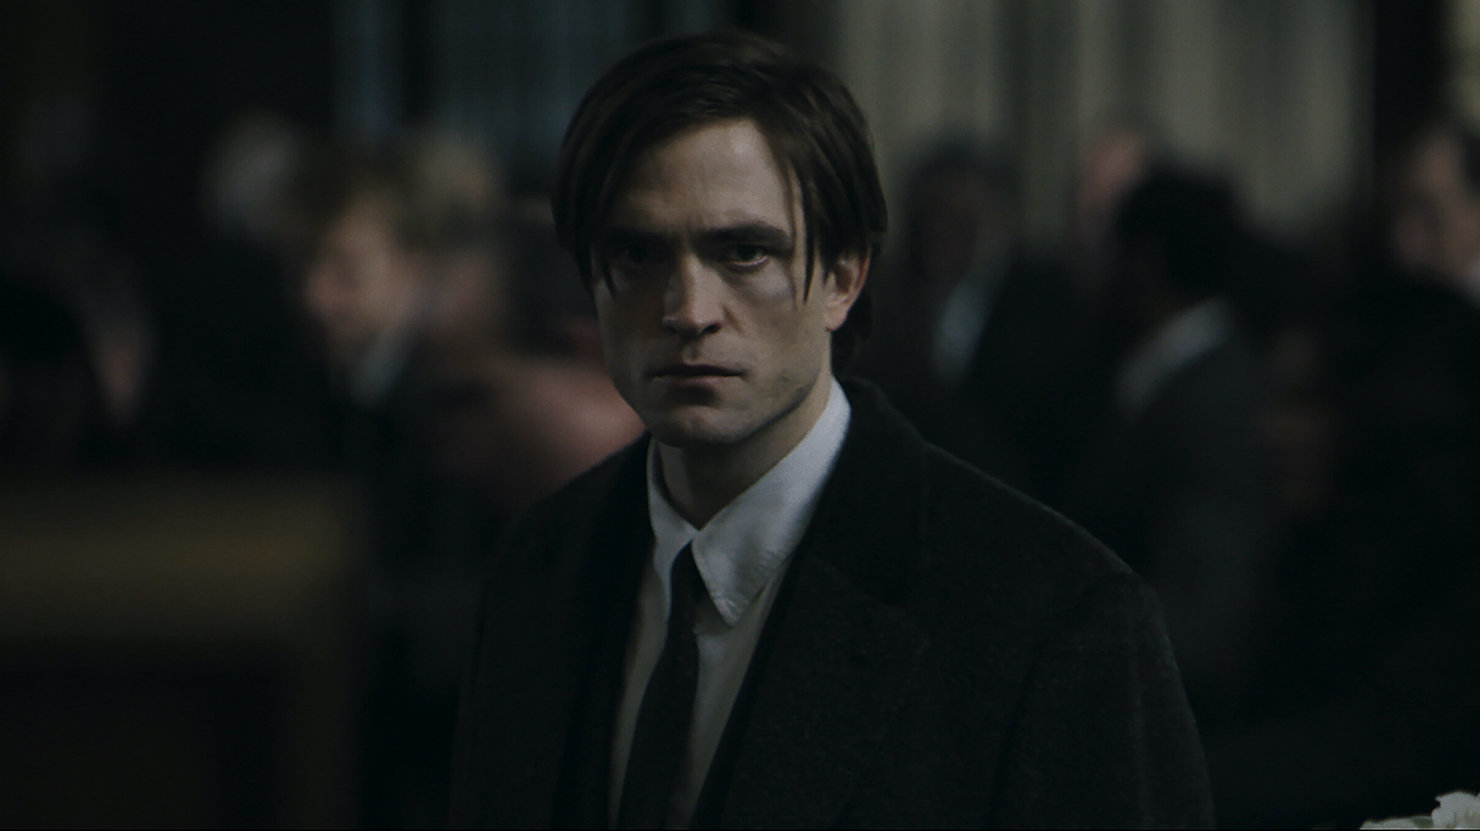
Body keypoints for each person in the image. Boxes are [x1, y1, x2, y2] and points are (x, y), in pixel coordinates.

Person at [452, 30, 1212, 828]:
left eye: (745, 252)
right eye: (638, 255)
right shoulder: (539, 567)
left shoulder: (1053, 616)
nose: (688, 310)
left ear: (844, 276)